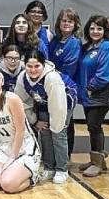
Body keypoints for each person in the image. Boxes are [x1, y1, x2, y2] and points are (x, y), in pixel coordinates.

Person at [15, 51, 76, 185]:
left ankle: (62, 169)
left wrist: (56, 126)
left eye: (37, 66)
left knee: (58, 134)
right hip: (43, 101)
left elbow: (58, 107)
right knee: (44, 132)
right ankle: (49, 167)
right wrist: (34, 121)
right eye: (29, 66)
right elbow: (21, 102)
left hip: (64, 100)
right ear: (24, 66)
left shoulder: (52, 78)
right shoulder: (22, 77)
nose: (33, 70)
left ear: (43, 65)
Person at [0, 68, 41, 193]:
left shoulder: (12, 99)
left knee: (8, 185)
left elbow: (20, 131)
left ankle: (33, 177)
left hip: (24, 147)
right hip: (4, 147)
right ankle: (14, 173)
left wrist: (13, 157)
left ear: (3, 82)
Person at [76, 15, 109, 177]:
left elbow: (106, 72)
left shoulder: (107, 47)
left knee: (94, 125)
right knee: (92, 126)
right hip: (89, 94)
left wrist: (91, 87)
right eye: (92, 28)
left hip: (101, 93)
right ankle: (97, 159)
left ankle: (97, 163)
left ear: (105, 31)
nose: (95, 31)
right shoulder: (88, 47)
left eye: (99, 28)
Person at [49, 8, 82, 156]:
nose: (66, 23)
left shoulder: (74, 42)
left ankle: (66, 156)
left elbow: (70, 66)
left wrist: (53, 76)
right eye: (64, 20)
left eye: (70, 21)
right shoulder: (55, 41)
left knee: (66, 122)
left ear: (75, 24)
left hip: (66, 87)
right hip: (52, 85)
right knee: (54, 120)